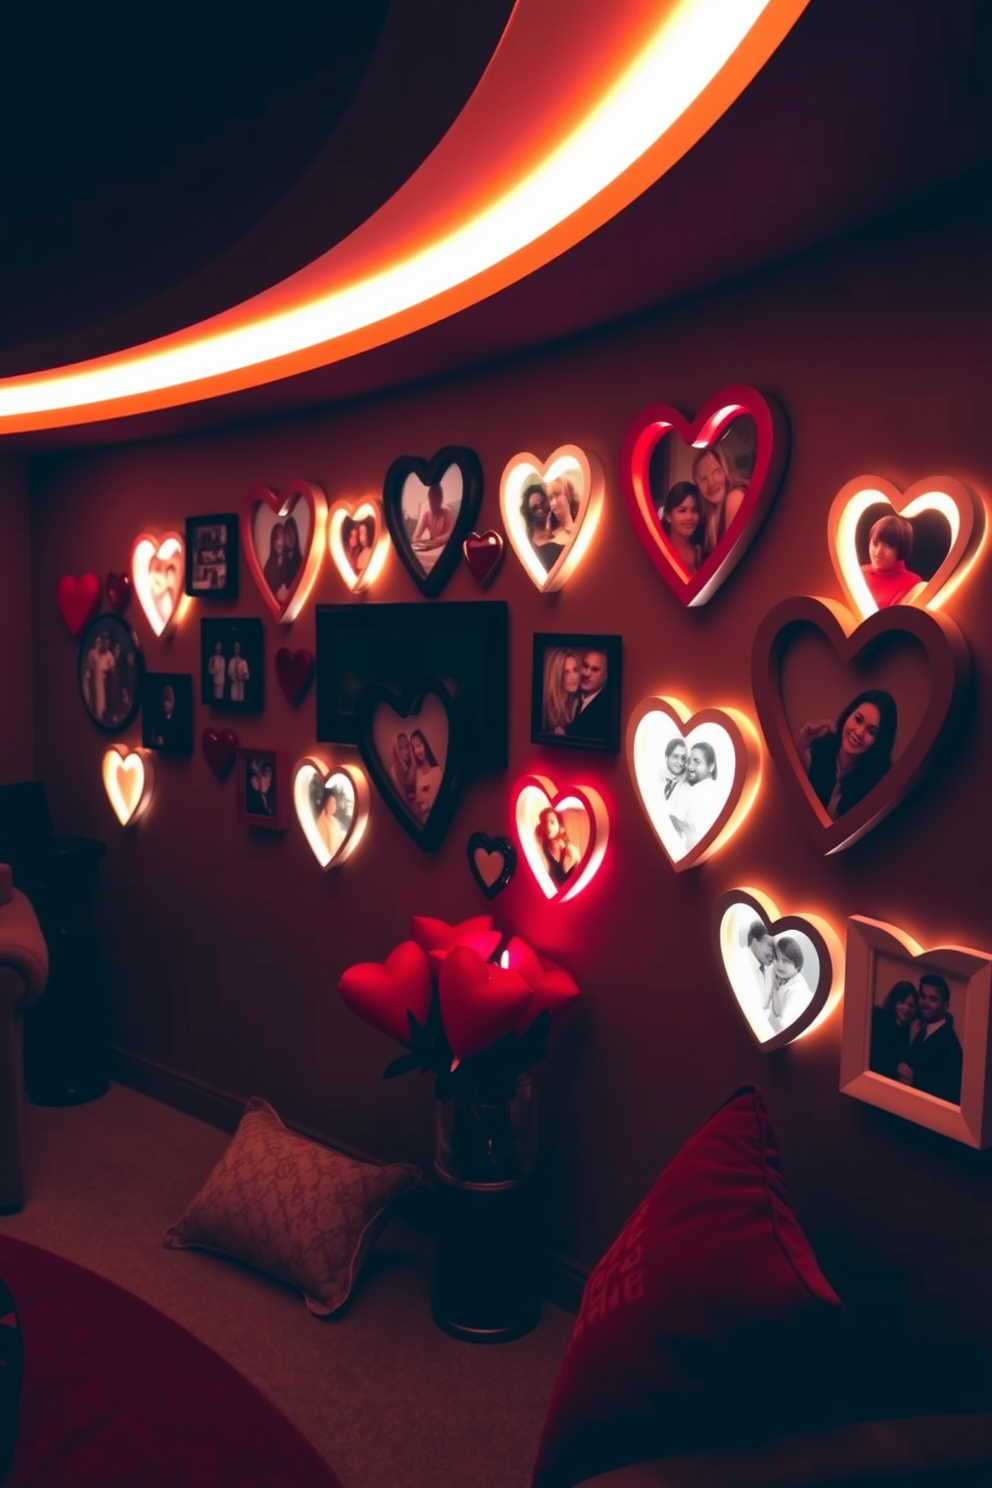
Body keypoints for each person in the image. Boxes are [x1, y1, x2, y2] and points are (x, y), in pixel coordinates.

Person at [794, 689, 897, 820]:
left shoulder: (875, 787)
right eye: (858, 719)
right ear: (849, 715)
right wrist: (803, 741)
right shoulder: (824, 746)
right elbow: (799, 775)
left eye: (871, 731)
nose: (859, 732)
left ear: (880, 741)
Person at [897, 974, 963, 1104]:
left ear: (946, 1005)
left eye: (933, 999)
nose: (925, 1003)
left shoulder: (950, 1044)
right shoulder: (923, 1027)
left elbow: (948, 1094)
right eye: (923, 996)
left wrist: (912, 1080)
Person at [693, 444, 747, 559]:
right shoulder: (709, 516)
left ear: (727, 469)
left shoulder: (735, 497)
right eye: (703, 478)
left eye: (716, 472)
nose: (711, 483)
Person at [861, 514, 924, 609]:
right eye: (875, 543)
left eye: (888, 546)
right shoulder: (858, 574)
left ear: (902, 549)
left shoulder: (914, 585)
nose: (878, 552)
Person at [670, 742, 721, 850]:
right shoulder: (697, 788)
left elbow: (697, 837)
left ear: (710, 767)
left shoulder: (700, 791)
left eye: (697, 762)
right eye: (688, 761)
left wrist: (674, 821)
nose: (690, 766)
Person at [870, 981, 919, 1080]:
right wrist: (896, 1067)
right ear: (894, 1002)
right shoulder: (879, 1018)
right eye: (902, 1002)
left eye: (911, 1005)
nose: (906, 1008)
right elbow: (875, 1056)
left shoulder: (910, 1030)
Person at [766, 937, 812, 1032]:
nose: (779, 965)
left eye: (785, 961)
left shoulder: (798, 990)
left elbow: (784, 1027)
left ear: (797, 966)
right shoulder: (777, 974)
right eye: (777, 958)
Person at [565, 649, 611, 744]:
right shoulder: (570, 695)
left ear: (605, 676)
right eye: (585, 666)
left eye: (594, 669)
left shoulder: (607, 710)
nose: (586, 674)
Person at [658, 481, 703, 574]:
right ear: (668, 516)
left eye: (695, 510)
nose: (689, 517)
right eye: (682, 510)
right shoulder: (659, 552)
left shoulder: (701, 551)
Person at [410, 483, 454, 571]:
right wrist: (423, 541)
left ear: (440, 499)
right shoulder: (426, 514)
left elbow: (449, 534)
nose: (432, 504)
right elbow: (415, 537)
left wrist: (434, 540)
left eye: (434, 501)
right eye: (430, 501)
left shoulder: (447, 512)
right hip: (431, 547)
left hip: (444, 547)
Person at [535, 807, 580, 886]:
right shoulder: (543, 850)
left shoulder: (570, 850)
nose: (548, 827)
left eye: (552, 822)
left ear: (559, 825)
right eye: (544, 822)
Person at [521, 482, 560, 573]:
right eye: (535, 507)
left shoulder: (560, 521)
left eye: (543, 502)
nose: (541, 509)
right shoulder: (529, 541)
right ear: (530, 513)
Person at [542, 648, 581, 734]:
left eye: (575, 670)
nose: (574, 677)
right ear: (557, 677)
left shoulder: (583, 702)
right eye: (566, 672)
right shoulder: (545, 709)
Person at [410, 729, 443, 821]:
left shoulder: (437, 772)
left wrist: (425, 806)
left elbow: (439, 803)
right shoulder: (418, 771)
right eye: (413, 748)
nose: (416, 751)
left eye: (418, 746)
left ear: (425, 746)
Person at [743, 921, 776, 1012]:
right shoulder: (738, 961)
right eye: (770, 946)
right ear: (754, 942)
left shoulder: (768, 970)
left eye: (776, 950)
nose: (773, 954)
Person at [316, 782, 351, 859]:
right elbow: (322, 849)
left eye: (335, 803)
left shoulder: (334, 821)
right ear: (327, 804)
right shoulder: (321, 823)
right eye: (333, 803)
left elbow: (340, 840)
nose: (335, 806)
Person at [390, 732, 418, 810]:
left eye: (407, 746)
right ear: (396, 750)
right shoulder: (394, 770)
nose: (406, 752)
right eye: (400, 748)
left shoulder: (414, 764)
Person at [262, 522, 286, 596]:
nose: (279, 543)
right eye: (276, 538)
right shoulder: (269, 566)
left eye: (281, 536)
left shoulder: (292, 561)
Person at [282, 516, 303, 591]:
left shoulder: (300, 561)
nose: (289, 538)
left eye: (291, 533)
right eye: (287, 534)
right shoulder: (282, 559)